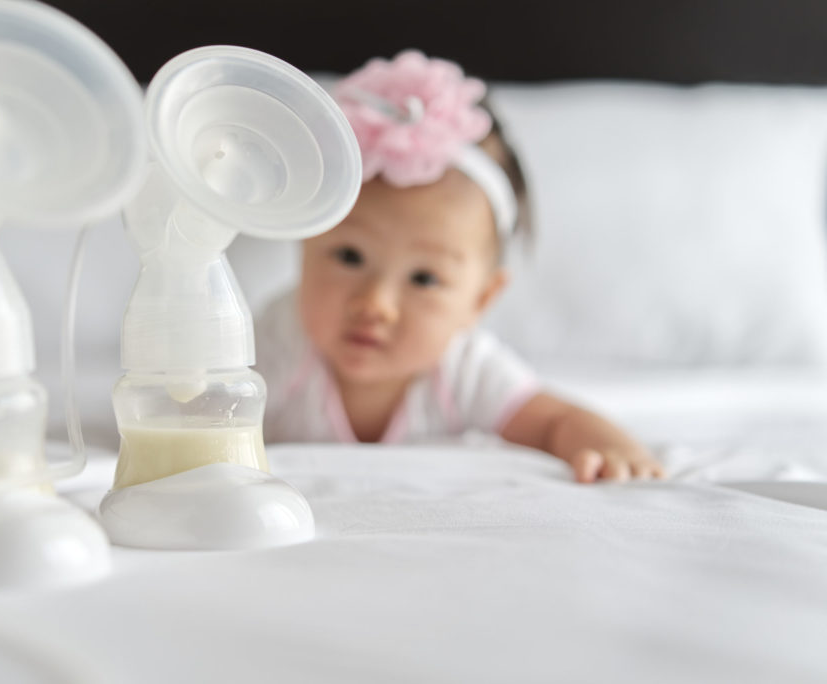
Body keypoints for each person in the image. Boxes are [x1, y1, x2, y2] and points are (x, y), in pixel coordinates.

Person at [255, 50, 664, 482]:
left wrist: (612, 449)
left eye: (425, 278)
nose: (374, 303)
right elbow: (197, 412)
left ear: (480, 299)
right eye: (349, 257)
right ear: (306, 244)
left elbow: (553, 421)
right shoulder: (276, 344)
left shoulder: (464, 369)